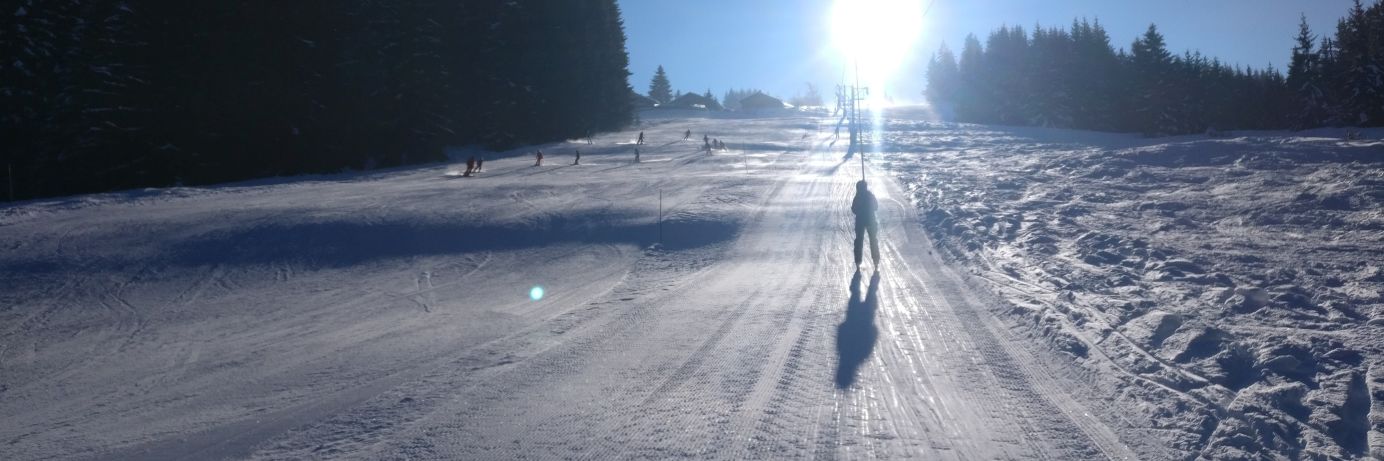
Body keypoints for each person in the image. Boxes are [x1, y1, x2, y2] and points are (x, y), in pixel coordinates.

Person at [851, 180, 881, 271]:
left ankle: (858, 261)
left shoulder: (857, 197)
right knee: (873, 241)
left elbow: (854, 209)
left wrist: (860, 210)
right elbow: (876, 207)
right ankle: (876, 261)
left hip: (860, 221)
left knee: (859, 241)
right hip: (870, 220)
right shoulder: (870, 195)